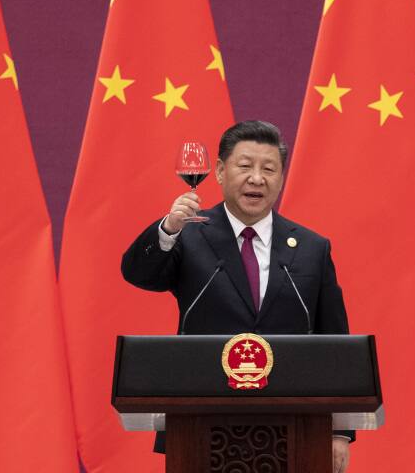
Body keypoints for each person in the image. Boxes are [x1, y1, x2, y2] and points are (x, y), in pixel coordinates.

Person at [122, 120, 352, 473]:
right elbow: (138, 274)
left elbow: (336, 341)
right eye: (245, 166)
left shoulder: (311, 248)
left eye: (269, 169)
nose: (257, 178)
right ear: (219, 170)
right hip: (201, 422)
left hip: (294, 425)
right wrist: (168, 229)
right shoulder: (189, 234)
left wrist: (339, 431)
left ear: (280, 178)